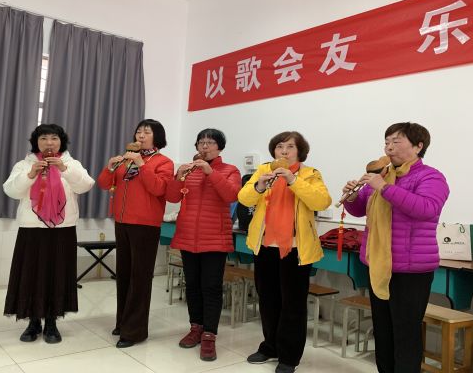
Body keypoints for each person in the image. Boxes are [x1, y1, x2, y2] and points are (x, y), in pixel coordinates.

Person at [341, 122, 449, 373]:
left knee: (405, 333)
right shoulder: (383, 175)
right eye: (387, 142)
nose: (389, 148)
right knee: (383, 330)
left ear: (418, 146)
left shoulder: (431, 177)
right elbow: (360, 210)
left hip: (410, 269)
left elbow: (426, 209)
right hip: (379, 264)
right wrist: (352, 197)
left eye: (396, 142)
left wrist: (383, 187)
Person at [238, 131, 331, 373]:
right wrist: (259, 185)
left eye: (290, 147)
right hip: (265, 245)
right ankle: (270, 346)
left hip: (296, 249)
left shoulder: (310, 174)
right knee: (268, 299)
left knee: (293, 304)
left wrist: (293, 180)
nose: (284, 151)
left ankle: (289, 357)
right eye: (280, 147)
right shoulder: (263, 170)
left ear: (300, 152)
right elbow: (244, 198)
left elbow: (321, 202)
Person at [3, 124, 94, 344]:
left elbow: (85, 185)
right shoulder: (24, 164)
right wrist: (31, 174)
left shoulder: (71, 163)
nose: (49, 143)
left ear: (61, 142)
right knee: (30, 274)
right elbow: (11, 190)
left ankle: (52, 322)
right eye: (43, 138)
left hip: (62, 229)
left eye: (54, 138)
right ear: (36, 142)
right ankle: (33, 322)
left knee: (58, 274)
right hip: (31, 228)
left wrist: (64, 169)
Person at [97, 118, 174, 348]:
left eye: (147, 132)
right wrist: (110, 167)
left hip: (146, 225)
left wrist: (142, 164)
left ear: (157, 137)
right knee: (124, 274)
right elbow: (104, 184)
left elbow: (159, 188)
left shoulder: (164, 162)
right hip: (122, 222)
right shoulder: (125, 160)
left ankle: (135, 331)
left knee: (140, 278)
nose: (141, 135)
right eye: (139, 131)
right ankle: (123, 322)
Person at [165, 128, 241, 361]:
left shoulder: (230, 170)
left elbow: (231, 195)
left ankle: (209, 335)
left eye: (210, 143)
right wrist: (178, 176)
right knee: (192, 286)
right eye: (201, 143)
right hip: (188, 236)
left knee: (211, 287)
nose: (205, 147)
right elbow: (172, 197)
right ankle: (195, 327)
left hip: (215, 239)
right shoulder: (189, 170)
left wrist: (211, 172)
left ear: (220, 147)